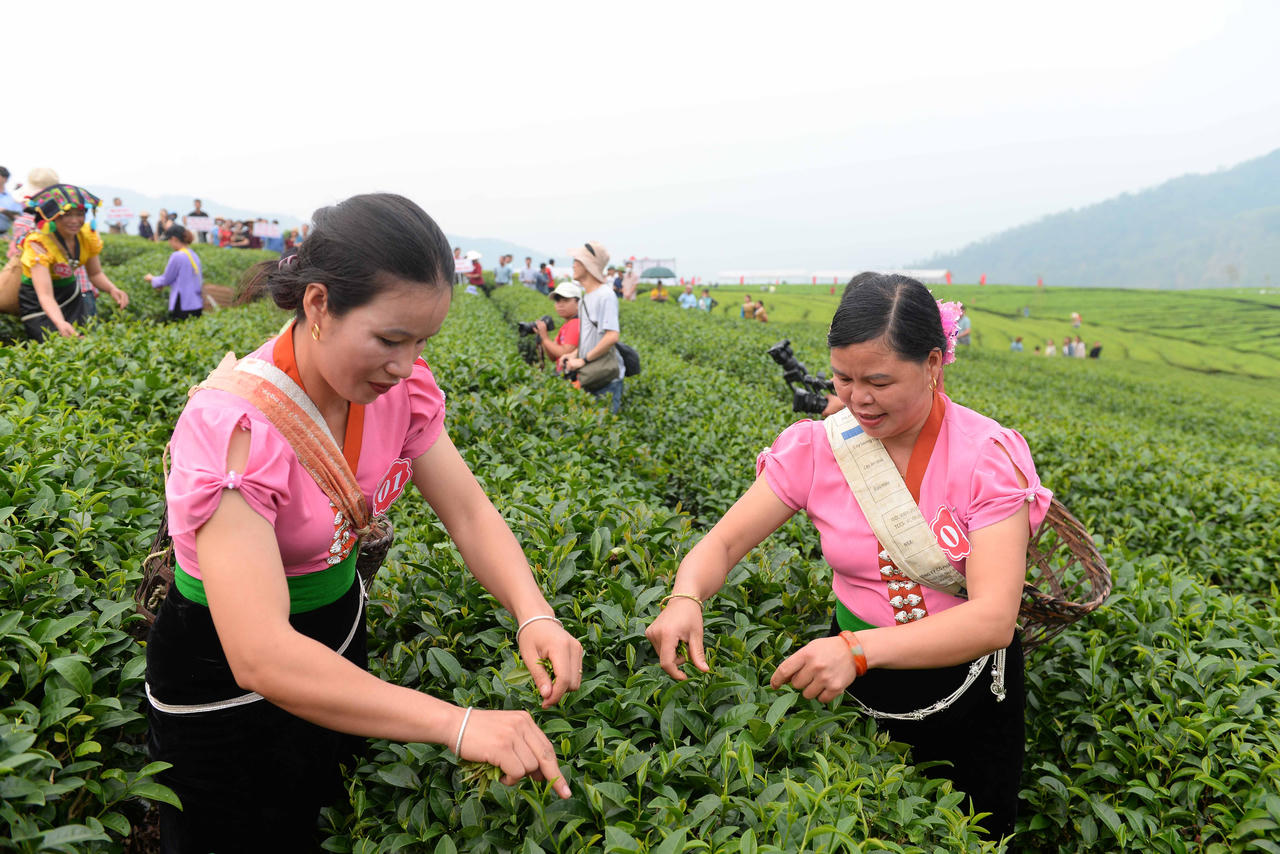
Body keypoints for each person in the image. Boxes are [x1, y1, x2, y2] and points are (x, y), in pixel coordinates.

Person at [145, 193, 582, 851]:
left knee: (327, 812)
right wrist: (460, 725)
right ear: (318, 305)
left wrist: (533, 610)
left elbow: (467, 510)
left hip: (336, 636)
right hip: (224, 679)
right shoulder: (234, 429)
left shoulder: (398, 390)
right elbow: (261, 653)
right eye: (389, 339)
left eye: (421, 341)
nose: (405, 365)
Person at [645, 273, 1050, 840]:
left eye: (879, 381)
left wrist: (857, 651)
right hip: (854, 681)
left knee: (970, 831)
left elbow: (993, 617)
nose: (857, 398)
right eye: (844, 378)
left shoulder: (987, 458)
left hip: (967, 690)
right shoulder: (817, 447)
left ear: (933, 363)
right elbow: (723, 543)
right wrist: (685, 596)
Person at [17, 185, 130, 340]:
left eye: (80, 214)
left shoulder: (86, 237)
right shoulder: (38, 244)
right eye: (67, 215)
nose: (75, 221)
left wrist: (112, 289)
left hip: (70, 294)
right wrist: (59, 322)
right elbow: (45, 295)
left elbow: (95, 273)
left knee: (80, 341)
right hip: (37, 299)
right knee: (50, 342)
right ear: (53, 216)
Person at [558, 241, 624, 413]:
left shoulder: (605, 295)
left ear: (588, 265)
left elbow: (612, 336)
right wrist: (572, 354)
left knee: (603, 431)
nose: (573, 265)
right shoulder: (586, 298)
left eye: (577, 261)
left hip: (605, 378)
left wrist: (583, 360)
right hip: (591, 374)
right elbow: (589, 338)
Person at [145, 225, 204, 321]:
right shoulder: (193, 254)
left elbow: (166, 279)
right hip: (197, 303)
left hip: (183, 304)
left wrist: (152, 278)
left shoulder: (177, 256)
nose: (169, 243)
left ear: (174, 239)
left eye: (169, 240)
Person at [535, 281, 582, 369]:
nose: (560, 305)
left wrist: (545, 338)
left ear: (578, 303)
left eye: (565, 300)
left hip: (573, 379)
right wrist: (542, 337)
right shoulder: (566, 325)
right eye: (557, 301)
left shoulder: (576, 323)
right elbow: (552, 357)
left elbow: (564, 353)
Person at [0, 167, 21, 235]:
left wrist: (4, 211)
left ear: (5, 179)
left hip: (4, 236)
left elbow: (18, 216)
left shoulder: (12, 198)